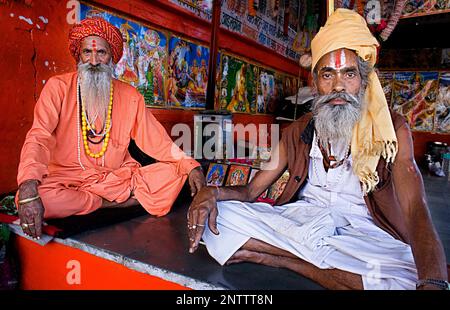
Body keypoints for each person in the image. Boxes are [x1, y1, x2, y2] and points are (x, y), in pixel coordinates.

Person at [187, 9, 448, 290]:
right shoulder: (298, 130)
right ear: (315, 82)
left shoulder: (391, 129)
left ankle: (286, 260)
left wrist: (433, 282)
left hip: (361, 235)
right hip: (302, 223)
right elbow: (251, 191)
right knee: (218, 218)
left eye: (348, 73)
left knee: (405, 278)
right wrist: (210, 193)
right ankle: (320, 265)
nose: (338, 86)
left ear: (363, 80)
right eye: (327, 74)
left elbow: (415, 207)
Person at [16, 17, 205, 240]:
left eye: (101, 53)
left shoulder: (130, 96)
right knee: (34, 197)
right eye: (87, 52)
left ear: (112, 57)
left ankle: (99, 200)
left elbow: (159, 143)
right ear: (79, 55)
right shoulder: (58, 88)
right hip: (66, 179)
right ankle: (109, 203)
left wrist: (191, 165)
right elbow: (39, 136)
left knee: (173, 173)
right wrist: (28, 184)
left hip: (116, 178)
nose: (94, 61)